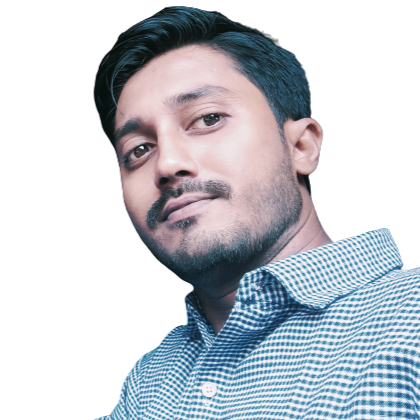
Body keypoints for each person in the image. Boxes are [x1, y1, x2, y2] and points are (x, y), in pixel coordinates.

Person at [93, 6, 419, 419]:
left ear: (301, 146)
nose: (167, 164)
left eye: (208, 118)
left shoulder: (412, 319)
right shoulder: (147, 383)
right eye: (139, 149)